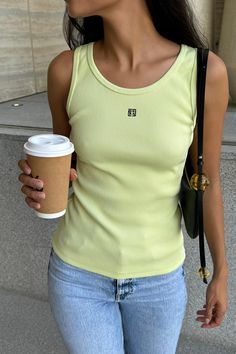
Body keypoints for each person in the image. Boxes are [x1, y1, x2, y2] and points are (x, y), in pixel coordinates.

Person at [18, 1, 229, 353]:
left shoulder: (204, 72)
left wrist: (221, 272)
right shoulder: (67, 70)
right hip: (77, 276)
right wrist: (39, 186)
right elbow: (64, 168)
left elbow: (209, 182)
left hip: (160, 281)